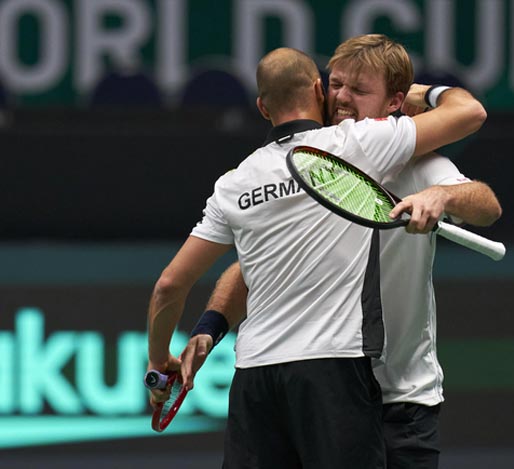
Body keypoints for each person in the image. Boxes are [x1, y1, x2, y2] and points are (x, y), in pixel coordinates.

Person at [153, 42, 486, 468]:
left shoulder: (235, 182)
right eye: (336, 84)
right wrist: (425, 94)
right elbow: (469, 111)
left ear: (261, 106)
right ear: (318, 88)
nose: (343, 96)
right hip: (335, 370)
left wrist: (441, 194)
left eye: (357, 88)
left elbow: (170, 284)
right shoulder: (355, 143)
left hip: (312, 381)